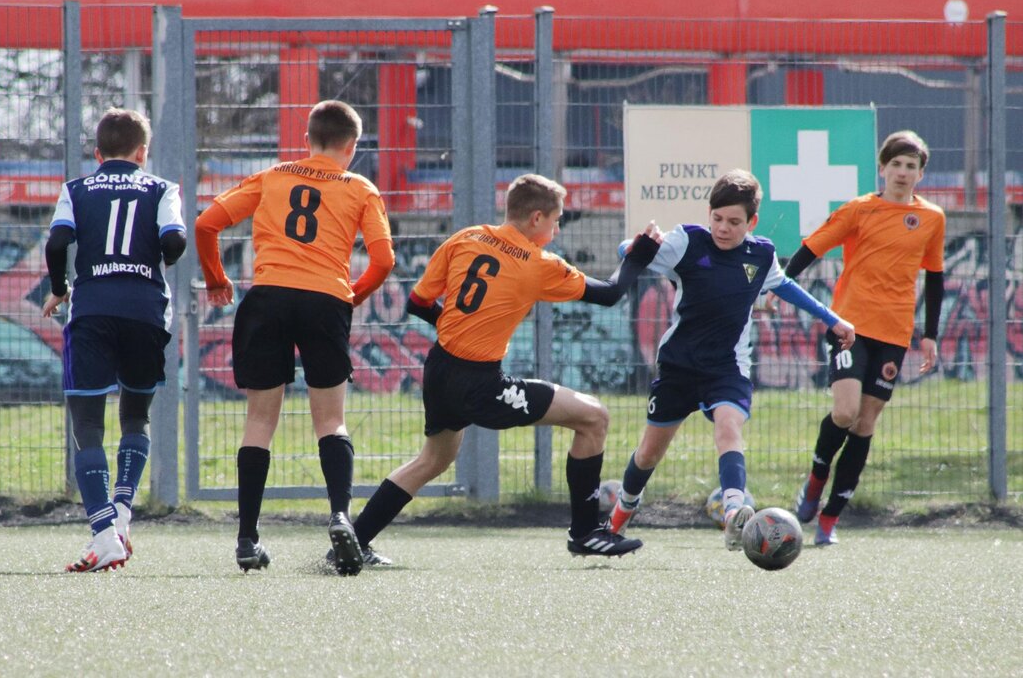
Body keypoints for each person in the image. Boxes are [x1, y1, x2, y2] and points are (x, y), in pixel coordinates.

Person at [348, 173, 662, 564]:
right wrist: (639, 255)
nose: (556, 229)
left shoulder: (466, 238)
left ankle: (353, 541)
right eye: (555, 220)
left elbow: (417, 302)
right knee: (594, 417)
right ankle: (586, 534)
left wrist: (461, 327)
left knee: (432, 460)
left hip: (440, 369)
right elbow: (612, 292)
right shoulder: (538, 263)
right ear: (536, 218)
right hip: (480, 383)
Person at [604, 169, 856, 552]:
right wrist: (637, 243)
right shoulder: (687, 241)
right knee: (649, 453)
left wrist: (833, 319)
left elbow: (784, 286)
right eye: (718, 218)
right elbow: (629, 252)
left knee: (728, 427)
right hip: (678, 367)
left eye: (734, 222)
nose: (723, 228)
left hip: (728, 368)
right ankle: (619, 516)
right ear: (709, 214)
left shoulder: (761, 254)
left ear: (751, 222)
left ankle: (735, 512)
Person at [195, 100, 394, 576]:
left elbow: (206, 224)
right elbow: (384, 260)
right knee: (331, 420)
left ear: (307, 140)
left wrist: (217, 279)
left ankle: (247, 539)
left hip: (267, 299)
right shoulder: (360, 187)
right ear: (352, 146)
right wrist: (351, 297)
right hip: (325, 301)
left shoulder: (273, 176)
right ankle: (341, 517)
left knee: (259, 421)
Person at [781, 130, 945, 545]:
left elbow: (935, 276)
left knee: (865, 423)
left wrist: (930, 334)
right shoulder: (859, 209)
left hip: (895, 332)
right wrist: (775, 285)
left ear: (921, 174)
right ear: (882, 168)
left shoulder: (932, 218)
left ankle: (829, 521)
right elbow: (812, 248)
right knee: (845, 412)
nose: (903, 172)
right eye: (896, 164)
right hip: (848, 326)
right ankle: (815, 480)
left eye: (911, 166)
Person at [42, 108, 187, 572]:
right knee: (136, 415)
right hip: (146, 312)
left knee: (87, 422)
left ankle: (104, 533)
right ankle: (122, 515)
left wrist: (60, 287)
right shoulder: (162, 188)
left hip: (92, 311)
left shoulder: (76, 189)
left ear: (97, 153)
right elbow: (175, 241)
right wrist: (158, 258)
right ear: (142, 153)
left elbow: (56, 243)